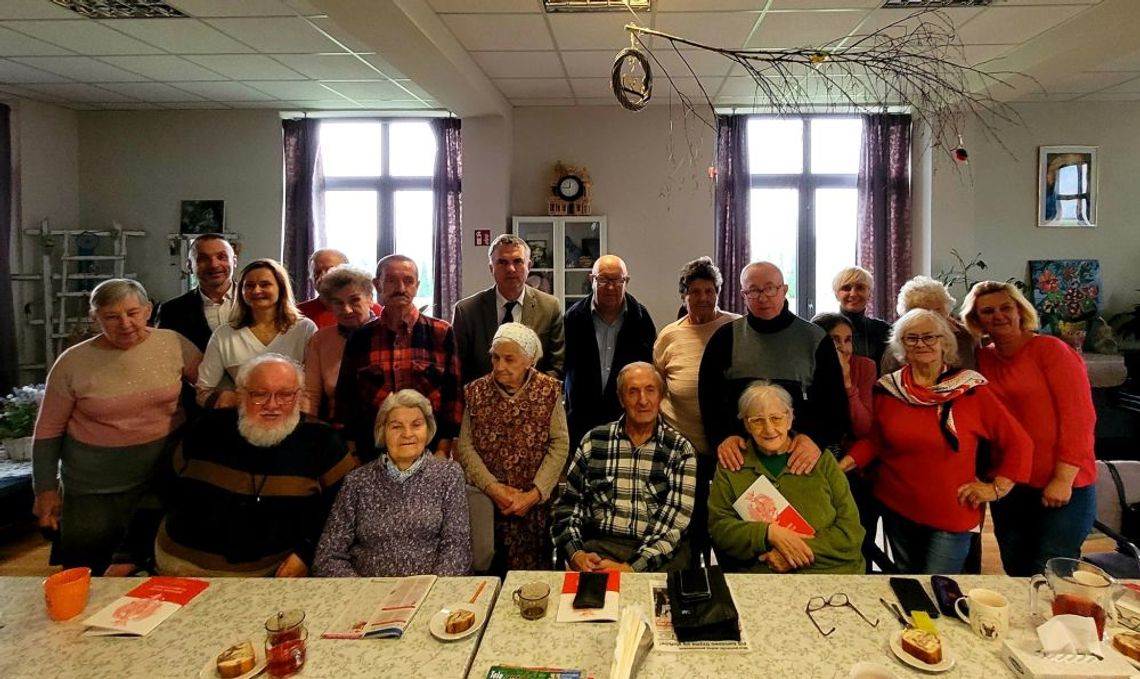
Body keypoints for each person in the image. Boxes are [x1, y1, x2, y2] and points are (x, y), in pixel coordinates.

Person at [107, 354, 355, 577]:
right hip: (177, 567)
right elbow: (158, 494)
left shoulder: (323, 443)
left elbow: (342, 514)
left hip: (265, 576)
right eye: (259, 394)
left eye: (285, 395)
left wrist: (306, 552)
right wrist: (127, 556)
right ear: (240, 394)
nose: (271, 404)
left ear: (299, 396)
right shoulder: (205, 429)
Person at [839, 309, 1032, 574]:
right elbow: (876, 440)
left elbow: (1019, 442)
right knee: (911, 586)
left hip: (952, 513)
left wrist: (997, 488)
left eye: (930, 337)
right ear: (901, 346)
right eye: (912, 338)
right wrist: (839, 466)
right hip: (897, 507)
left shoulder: (972, 390)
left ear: (945, 343)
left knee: (939, 587)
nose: (921, 344)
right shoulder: (888, 389)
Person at [31, 279, 200, 575]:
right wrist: (45, 490)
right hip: (93, 489)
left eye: (132, 313)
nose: (125, 323)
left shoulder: (174, 343)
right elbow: (48, 430)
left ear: (148, 311)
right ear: (95, 318)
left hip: (161, 480)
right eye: (111, 316)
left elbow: (211, 387)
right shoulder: (71, 363)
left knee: (153, 570)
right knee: (90, 572)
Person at [961, 280, 1098, 576]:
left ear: (1020, 310)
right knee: (1017, 568)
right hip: (1010, 481)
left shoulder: (1050, 350)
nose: (998, 315)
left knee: (1052, 571)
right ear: (977, 320)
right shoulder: (983, 359)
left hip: (1061, 481)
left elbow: (1079, 418)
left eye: (1005, 307)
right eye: (987, 311)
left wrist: (1063, 477)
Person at [699, 261, 849, 473]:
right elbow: (709, 400)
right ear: (743, 295)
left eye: (770, 288)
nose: (762, 297)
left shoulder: (815, 339)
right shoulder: (724, 339)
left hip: (799, 461)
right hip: (741, 461)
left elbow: (835, 405)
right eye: (753, 290)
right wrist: (722, 438)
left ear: (784, 290)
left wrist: (816, 440)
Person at [551, 362, 696, 573]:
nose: (643, 400)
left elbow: (673, 526)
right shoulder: (594, 441)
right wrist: (576, 553)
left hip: (659, 556)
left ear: (661, 397)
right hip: (599, 552)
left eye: (650, 390)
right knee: (585, 605)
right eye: (633, 392)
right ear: (621, 399)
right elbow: (568, 507)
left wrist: (631, 568)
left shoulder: (680, 450)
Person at [708, 381, 864, 574]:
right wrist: (768, 533)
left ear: (790, 418)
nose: (769, 429)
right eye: (757, 420)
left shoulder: (821, 460)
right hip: (764, 576)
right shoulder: (732, 464)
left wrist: (791, 554)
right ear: (746, 425)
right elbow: (720, 529)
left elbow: (851, 533)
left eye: (776, 418)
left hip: (830, 572)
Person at [314, 389, 471, 577]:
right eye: (396, 426)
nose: (407, 434)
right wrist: (361, 591)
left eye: (416, 425)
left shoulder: (448, 475)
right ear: (382, 431)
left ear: (428, 430)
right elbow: (328, 555)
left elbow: (457, 549)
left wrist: (430, 590)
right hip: (368, 595)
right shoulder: (357, 481)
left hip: (430, 592)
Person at [454, 323, 569, 573]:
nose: (499, 366)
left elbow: (559, 443)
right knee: (487, 574)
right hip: (487, 505)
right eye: (495, 358)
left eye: (509, 359)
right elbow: (465, 446)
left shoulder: (548, 390)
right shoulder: (475, 392)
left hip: (534, 509)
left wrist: (534, 494)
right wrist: (493, 489)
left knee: (533, 578)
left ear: (529, 361)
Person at [653, 256, 740, 562]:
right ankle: (693, 576)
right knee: (691, 522)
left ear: (718, 292)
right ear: (684, 295)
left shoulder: (736, 328)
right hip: (684, 446)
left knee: (729, 520)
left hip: (731, 447)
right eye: (695, 291)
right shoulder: (669, 335)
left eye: (709, 291)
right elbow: (657, 385)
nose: (703, 298)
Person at [334, 254, 462, 460]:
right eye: (392, 280)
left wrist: (444, 448)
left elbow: (452, 396)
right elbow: (345, 400)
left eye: (408, 281)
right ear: (377, 284)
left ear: (417, 286)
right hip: (372, 451)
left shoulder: (441, 332)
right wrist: (352, 453)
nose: (401, 288)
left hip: (428, 450)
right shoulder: (360, 337)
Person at [563, 255, 657, 447]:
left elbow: (649, 370)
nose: (611, 287)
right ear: (591, 280)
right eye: (604, 280)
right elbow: (563, 368)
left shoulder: (641, 319)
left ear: (626, 281)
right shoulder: (573, 319)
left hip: (627, 423)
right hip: (580, 424)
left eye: (617, 280)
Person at [197, 259, 317, 408]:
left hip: (293, 416)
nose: (256, 291)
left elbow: (314, 388)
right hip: (245, 418)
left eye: (265, 284)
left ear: (281, 288)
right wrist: (227, 399)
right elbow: (203, 390)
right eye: (249, 286)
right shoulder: (224, 335)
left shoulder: (305, 329)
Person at [452, 234, 565, 385]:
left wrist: (533, 395)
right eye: (502, 262)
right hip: (482, 403)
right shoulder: (466, 311)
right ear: (491, 268)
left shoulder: (550, 307)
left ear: (529, 266)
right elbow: (458, 368)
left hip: (535, 403)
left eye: (518, 262)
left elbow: (557, 363)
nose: (511, 269)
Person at [302, 264, 377, 421]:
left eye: (355, 300)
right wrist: (311, 428)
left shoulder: (385, 333)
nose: (347, 309)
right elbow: (311, 393)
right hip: (337, 425)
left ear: (370, 299)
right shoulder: (321, 339)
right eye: (338, 303)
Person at [156, 233, 237, 352]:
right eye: (204, 258)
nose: (214, 265)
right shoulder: (171, 311)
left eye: (221, 257)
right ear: (189, 266)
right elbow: (165, 356)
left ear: (234, 261)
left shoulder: (258, 303)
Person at [882, 275, 977, 373]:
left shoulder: (962, 337)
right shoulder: (898, 342)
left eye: (936, 311)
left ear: (945, 311)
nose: (929, 318)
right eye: (921, 312)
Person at [811, 313, 875, 439]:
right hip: (816, 442)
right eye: (835, 340)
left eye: (848, 340)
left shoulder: (865, 366)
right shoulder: (808, 367)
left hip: (851, 444)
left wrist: (847, 383)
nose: (844, 348)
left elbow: (864, 428)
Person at [296, 248, 381, 328]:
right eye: (317, 273)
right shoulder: (298, 313)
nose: (323, 277)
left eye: (330, 270)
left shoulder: (374, 311)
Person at [831, 266, 891, 368]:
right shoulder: (823, 328)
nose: (853, 294)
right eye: (846, 288)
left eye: (860, 288)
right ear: (836, 295)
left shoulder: (884, 331)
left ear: (869, 294)